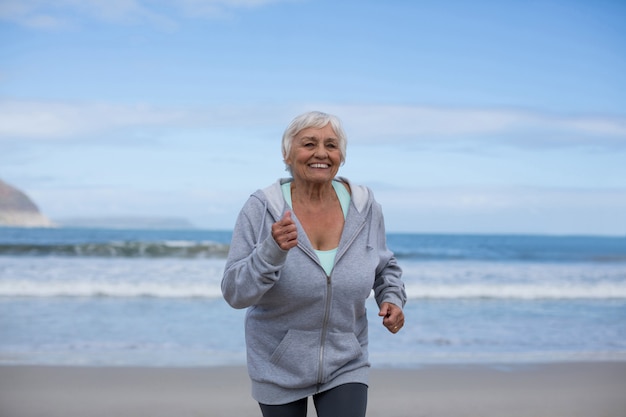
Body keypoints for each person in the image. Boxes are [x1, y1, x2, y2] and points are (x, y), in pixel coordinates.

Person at [221, 110, 406, 417]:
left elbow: (384, 265)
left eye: (331, 145)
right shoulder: (262, 208)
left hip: (346, 360)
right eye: (309, 144)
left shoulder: (365, 206)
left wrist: (392, 298)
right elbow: (234, 292)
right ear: (287, 154)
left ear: (341, 156)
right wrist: (271, 251)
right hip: (276, 363)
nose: (321, 153)